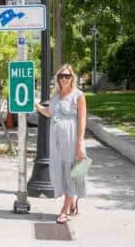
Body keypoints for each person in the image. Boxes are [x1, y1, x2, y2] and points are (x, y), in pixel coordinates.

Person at [34, 63, 87, 224]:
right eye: (61, 76)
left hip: (72, 139)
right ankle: (71, 202)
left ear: (72, 78)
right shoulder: (55, 95)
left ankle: (65, 209)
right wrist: (36, 105)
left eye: (67, 76)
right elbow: (49, 113)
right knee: (60, 171)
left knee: (72, 171)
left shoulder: (78, 95)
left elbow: (82, 120)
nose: (64, 78)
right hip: (56, 141)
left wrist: (79, 142)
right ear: (57, 78)